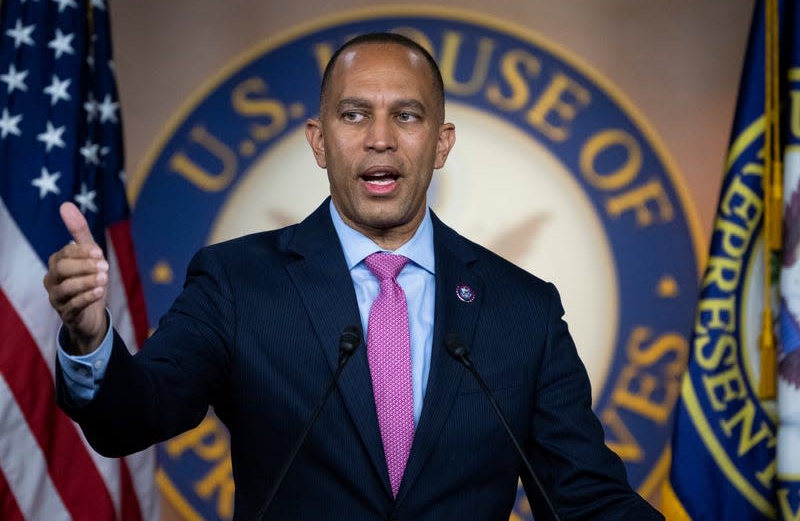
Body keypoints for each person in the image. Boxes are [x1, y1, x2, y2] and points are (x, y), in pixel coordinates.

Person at [45, 32, 663, 520]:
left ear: (441, 143)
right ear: (319, 141)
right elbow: (135, 415)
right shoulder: (237, 283)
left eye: (408, 116)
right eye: (354, 114)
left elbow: (586, 501)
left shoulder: (521, 309)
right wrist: (89, 335)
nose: (379, 140)